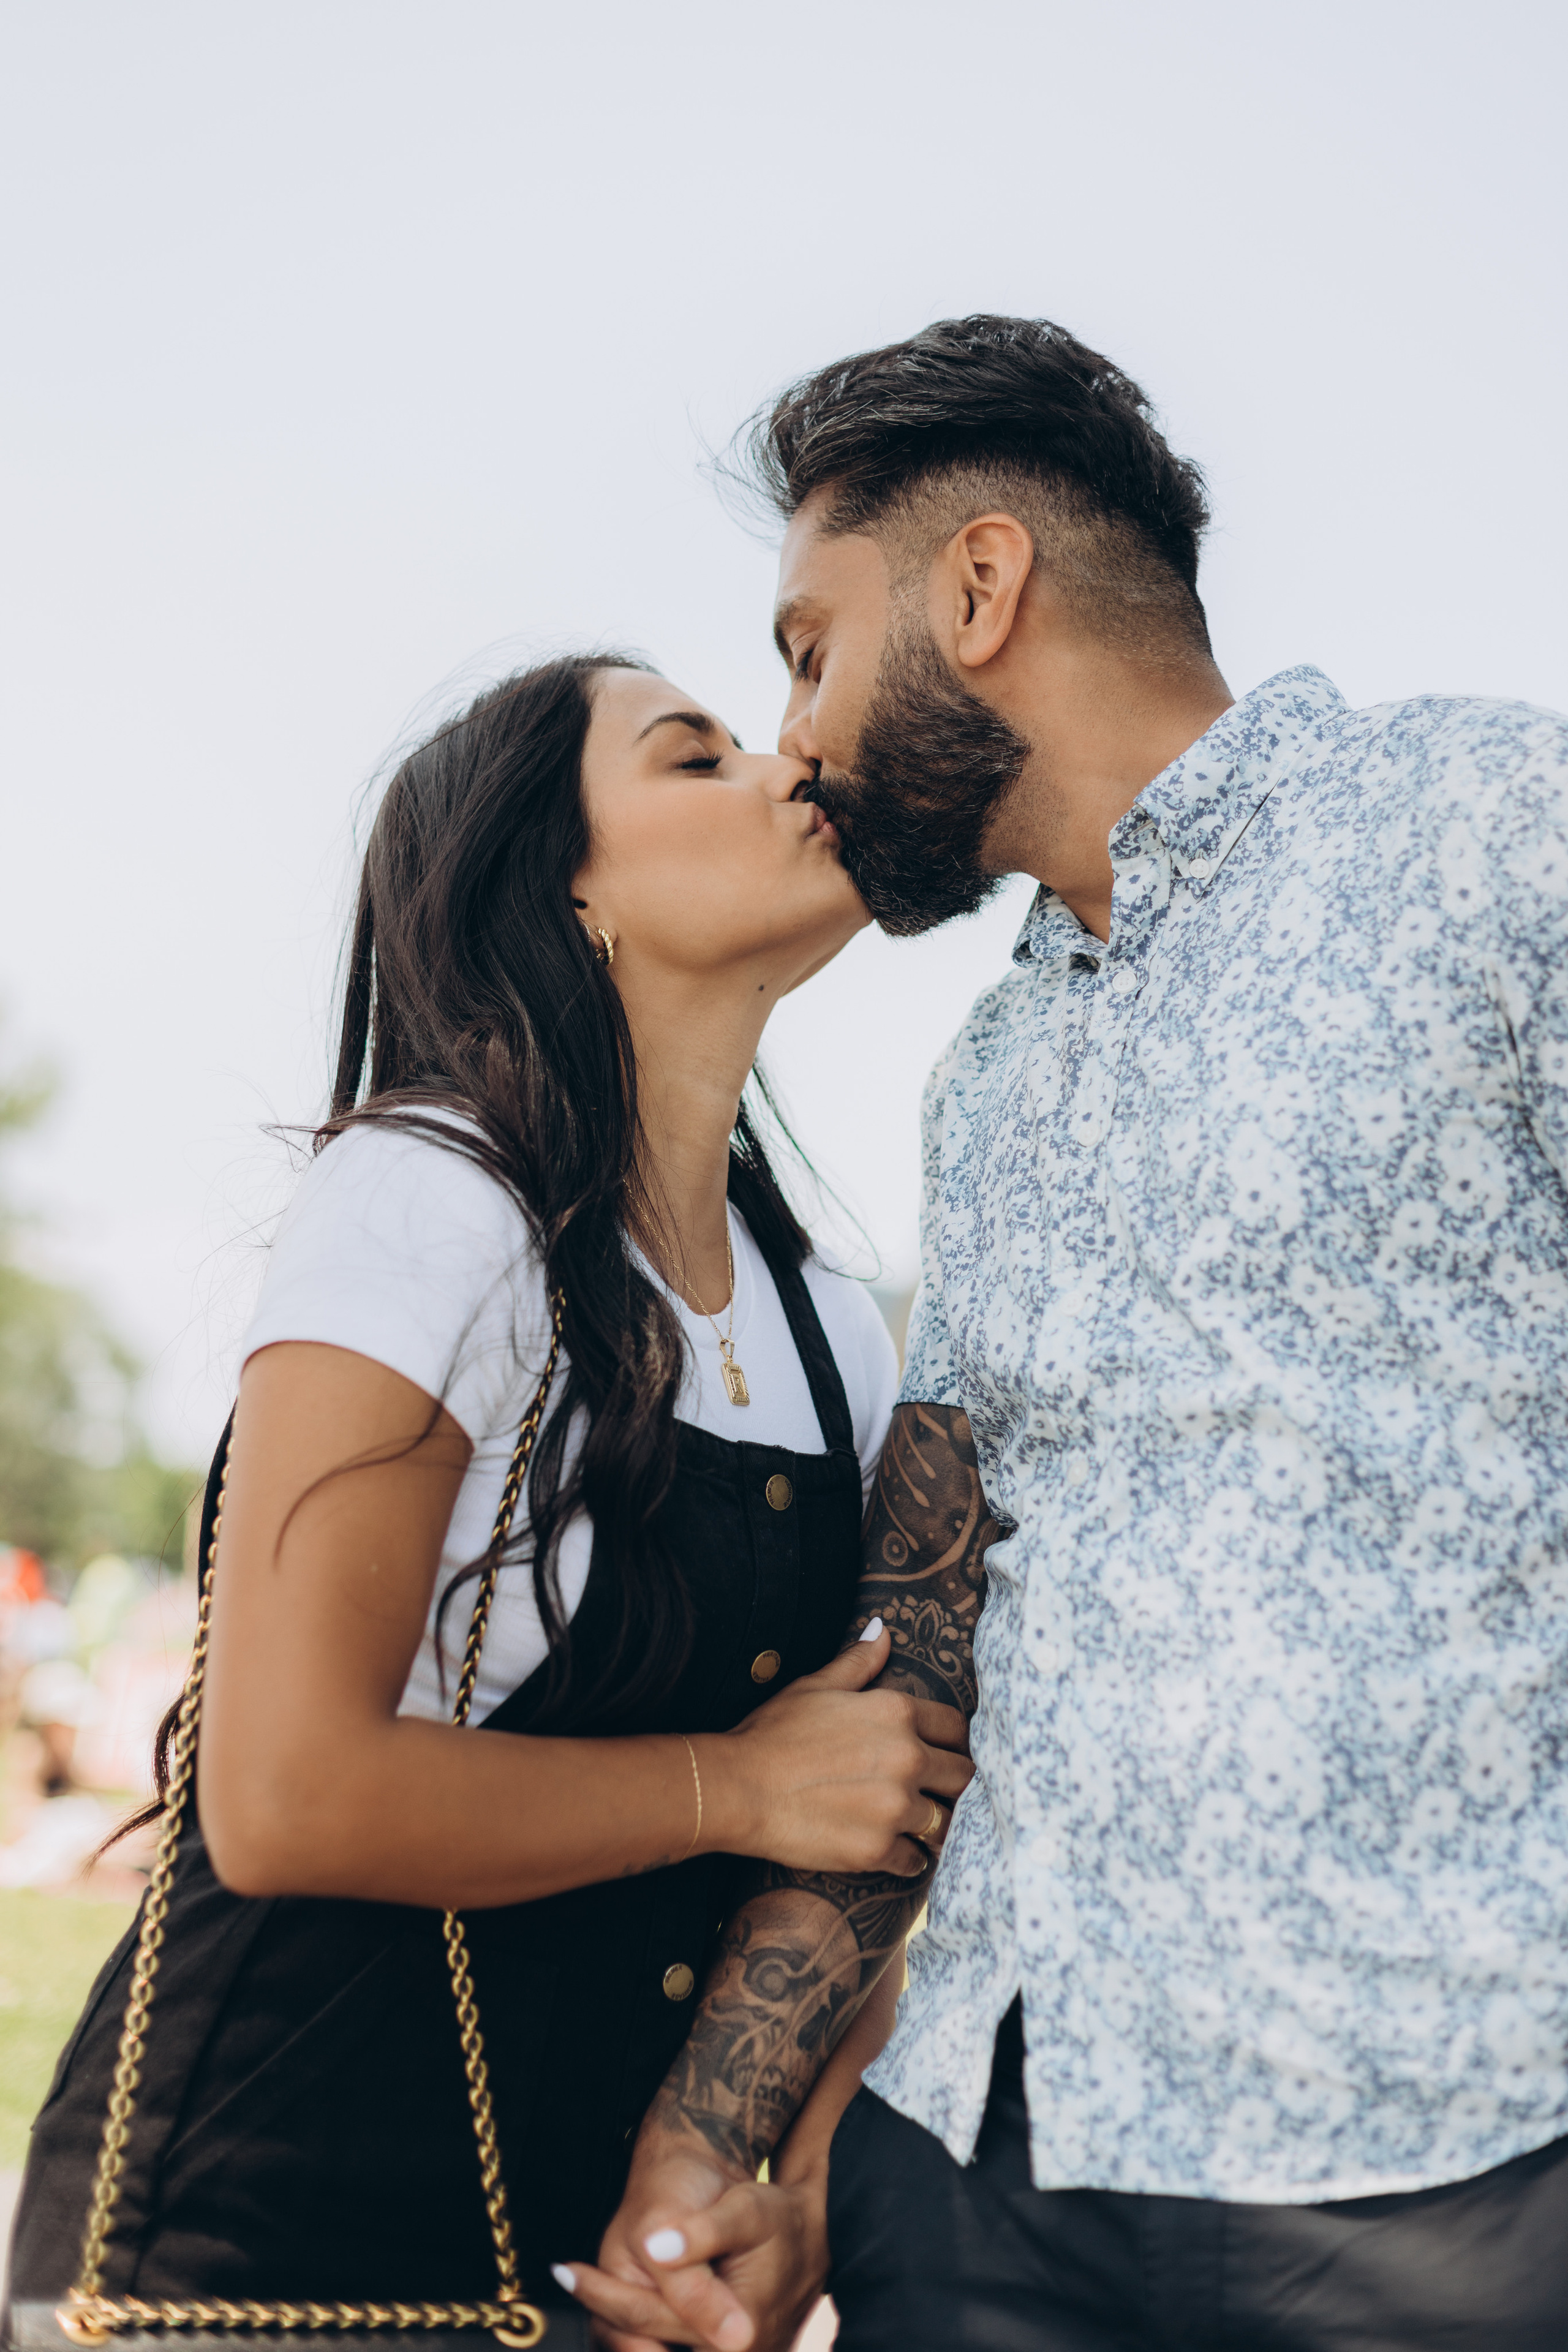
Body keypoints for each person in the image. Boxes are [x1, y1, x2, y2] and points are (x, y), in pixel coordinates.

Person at [565, 319, 1568, 2351]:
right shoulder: (992, 1079)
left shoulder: (1499, 827)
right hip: (976, 2183)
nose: (798, 740)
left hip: (1446, 2173)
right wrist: (728, 2143)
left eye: (807, 646)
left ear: (982, 587)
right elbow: (928, 1654)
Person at [4, 654, 974, 2331]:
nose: (785, 764)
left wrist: (791, 2184)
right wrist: (733, 1789)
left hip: (575, 2276)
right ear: (565, 879)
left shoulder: (829, 1326)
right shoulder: (427, 1197)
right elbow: (288, 1797)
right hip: (247, 2262)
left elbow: (882, 1805)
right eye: (699, 758)